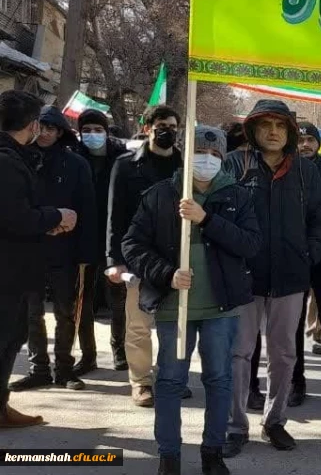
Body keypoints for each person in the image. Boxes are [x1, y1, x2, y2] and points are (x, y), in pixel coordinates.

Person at [122, 126, 261, 475]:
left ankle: (212, 452)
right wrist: (166, 273)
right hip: (174, 307)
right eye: (201, 152)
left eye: (216, 154)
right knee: (169, 381)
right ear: (187, 153)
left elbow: (250, 245)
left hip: (220, 307)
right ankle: (169, 455)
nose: (208, 160)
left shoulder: (237, 196)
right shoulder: (160, 195)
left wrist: (207, 219)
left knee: (218, 379)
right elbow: (132, 245)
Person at [223, 100, 321, 457]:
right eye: (266, 124)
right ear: (253, 129)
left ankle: (275, 421)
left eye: (280, 125)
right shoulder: (237, 164)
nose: (273, 131)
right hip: (244, 278)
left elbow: (320, 219)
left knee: (283, 354)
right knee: (239, 352)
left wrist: (309, 256)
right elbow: (219, 214)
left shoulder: (305, 171)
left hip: (290, 278)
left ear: (290, 132)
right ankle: (235, 425)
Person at [0, 90, 73, 428]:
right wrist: (55, 215)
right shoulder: (7, 160)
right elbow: (16, 217)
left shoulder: (14, 156)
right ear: (31, 126)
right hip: (7, 272)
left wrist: (46, 226)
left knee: (12, 337)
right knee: (6, 339)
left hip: (15, 265)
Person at [10, 106, 96, 393]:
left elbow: (87, 210)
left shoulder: (76, 164)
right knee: (32, 312)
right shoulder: (22, 159)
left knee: (65, 311)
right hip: (31, 247)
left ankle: (64, 368)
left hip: (66, 250)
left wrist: (86, 254)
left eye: (51, 129)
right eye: (41, 127)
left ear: (60, 132)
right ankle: (39, 369)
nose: (45, 134)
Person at [107, 105, 182, 408]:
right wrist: (114, 260)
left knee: (174, 325)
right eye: (162, 125)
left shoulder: (183, 165)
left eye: (174, 127)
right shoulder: (126, 165)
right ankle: (141, 382)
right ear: (148, 127)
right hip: (138, 256)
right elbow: (115, 215)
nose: (168, 131)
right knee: (138, 325)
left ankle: (170, 377)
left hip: (175, 257)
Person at [74, 109, 128, 376]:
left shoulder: (121, 158)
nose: (92, 135)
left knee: (118, 298)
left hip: (114, 236)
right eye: (87, 130)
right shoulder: (74, 157)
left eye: (98, 130)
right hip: (83, 237)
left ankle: (120, 350)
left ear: (107, 132)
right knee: (84, 300)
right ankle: (88, 355)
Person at [289, 120, 321, 406]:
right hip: (294, 256)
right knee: (292, 322)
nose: (305, 145)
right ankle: (296, 382)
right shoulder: (286, 170)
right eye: (301, 140)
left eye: (310, 140)